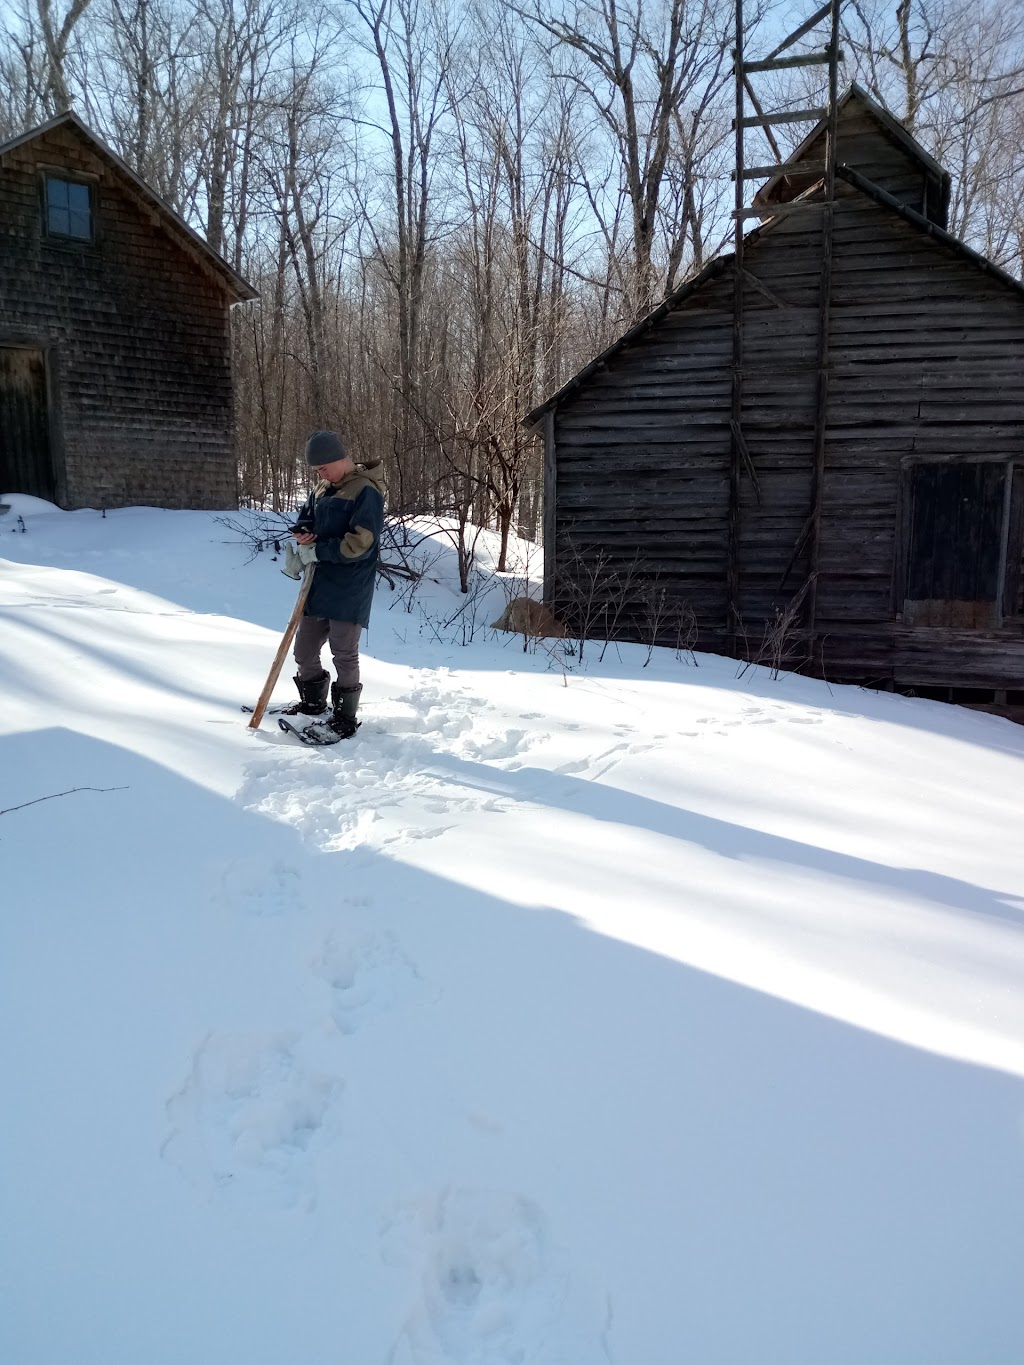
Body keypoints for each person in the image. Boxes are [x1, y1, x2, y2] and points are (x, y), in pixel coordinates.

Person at [282, 430, 386, 737]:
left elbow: (361, 543)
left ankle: (344, 719)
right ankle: (313, 704)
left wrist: (319, 551)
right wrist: (303, 534)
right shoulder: (323, 487)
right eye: (317, 470)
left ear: (340, 459)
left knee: (343, 652)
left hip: (350, 585)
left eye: (323, 468)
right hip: (318, 582)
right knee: (304, 649)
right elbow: (307, 517)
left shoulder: (366, 491)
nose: (320, 474)